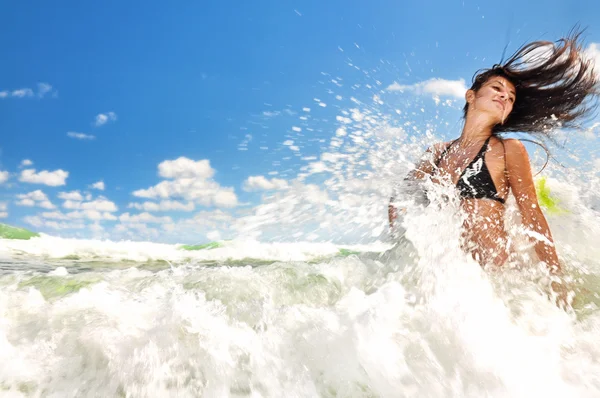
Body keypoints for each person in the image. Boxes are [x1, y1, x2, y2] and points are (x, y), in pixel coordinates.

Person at [389, 30, 598, 280]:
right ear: (471, 96)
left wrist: (556, 279)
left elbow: (531, 215)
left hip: (496, 280)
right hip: (445, 281)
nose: (504, 96)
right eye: (496, 88)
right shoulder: (436, 152)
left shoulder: (508, 149)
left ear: (507, 113)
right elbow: (401, 201)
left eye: (510, 98)